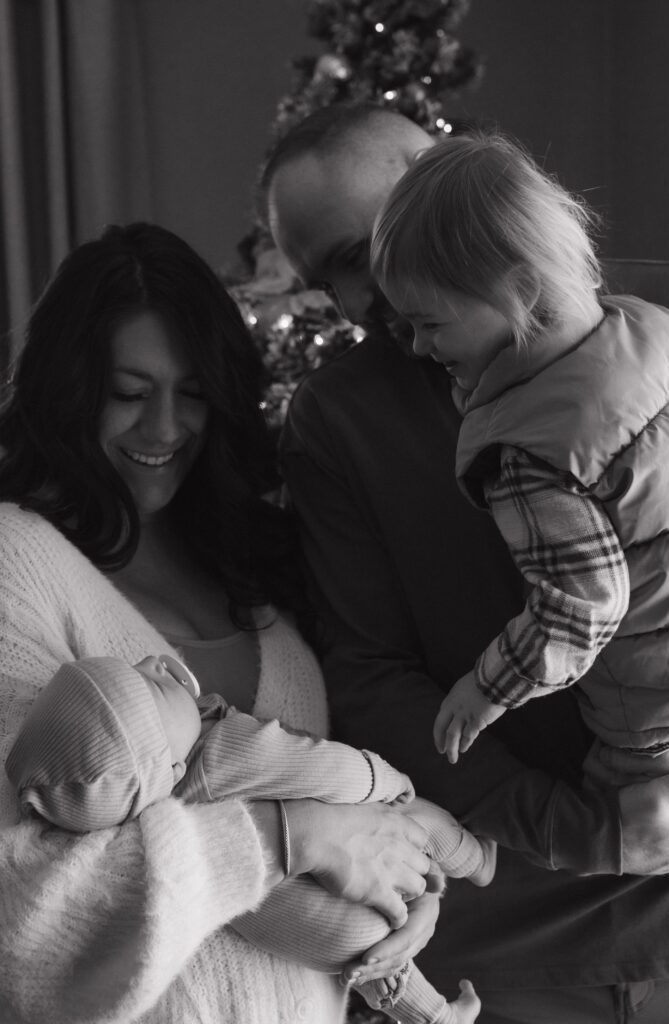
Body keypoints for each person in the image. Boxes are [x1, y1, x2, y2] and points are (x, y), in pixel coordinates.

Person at [261, 101, 669, 1023]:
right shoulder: (338, 419)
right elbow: (370, 675)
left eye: (363, 252)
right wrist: (593, 831)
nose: (363, 301)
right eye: (329, 280)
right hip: (509, 948)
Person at [0, 222, 439, 1024]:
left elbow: (334, 778)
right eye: (129, 394)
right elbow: (22, 890)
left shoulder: (253, 557)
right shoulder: (13, 562)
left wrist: (403, 888)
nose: (165, 429)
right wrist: (287, 840)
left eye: (193, 392)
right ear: (68, 391)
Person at [371, 126, 669, 901]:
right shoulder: (656, 328)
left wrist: (486, 687)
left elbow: (582, 613)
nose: (419, 347)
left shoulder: (531, 455)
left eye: (431, 324)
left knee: (629, 805)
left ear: (519, 294)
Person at [7, 651, 492, 1024]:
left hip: (329, 939)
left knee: (379, 965)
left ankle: (436, 1015)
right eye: (152, 687)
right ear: (169, 766)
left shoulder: (164, 824)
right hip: (360, 870)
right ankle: (475, 859)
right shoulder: (217, 755)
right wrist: (386, 784)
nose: (152, 664)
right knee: (426, 824)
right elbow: (319, 766)